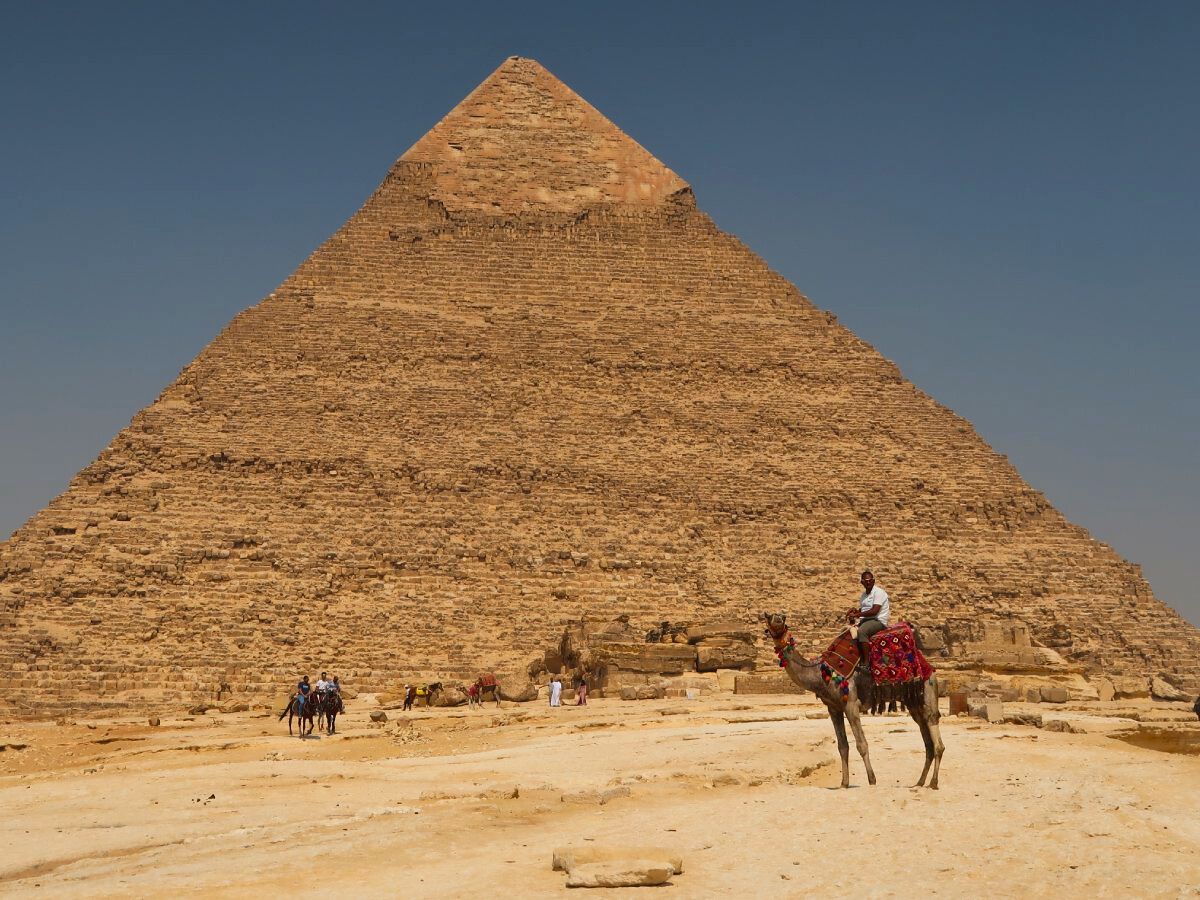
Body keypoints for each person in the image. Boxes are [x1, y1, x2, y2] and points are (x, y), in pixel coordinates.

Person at [847, 570, 891, 665]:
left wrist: (857, 615)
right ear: (862, 582)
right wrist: (855, 612)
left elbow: (874, 611)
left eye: (870, 580)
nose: (868, 582)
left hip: (878, 620)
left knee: (862, 631)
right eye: (866, 580)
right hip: (867, 620)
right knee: (849, 631)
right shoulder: (864, 595)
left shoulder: (879, 592)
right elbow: (864, 610)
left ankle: (866, 663)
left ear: (873, 581)